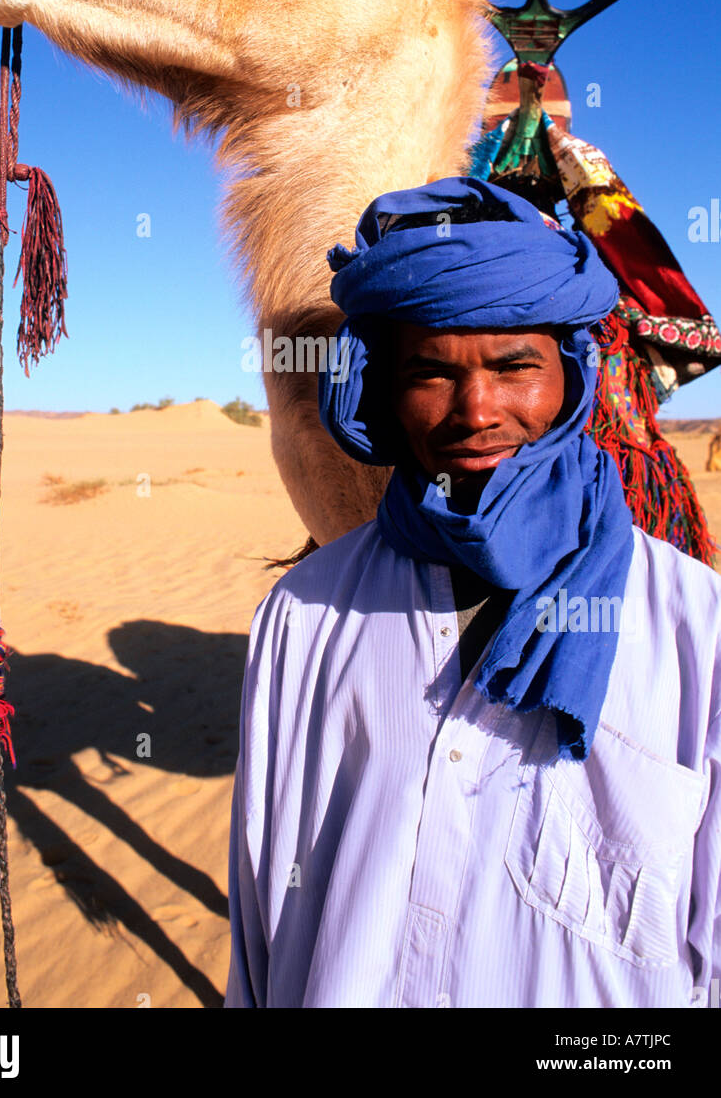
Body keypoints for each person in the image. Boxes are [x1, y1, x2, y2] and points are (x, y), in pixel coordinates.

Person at [224, 177, 721, 1009]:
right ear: (380, 389)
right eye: (428, 373)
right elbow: (261, 904)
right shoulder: (303, 616)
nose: (475, 410)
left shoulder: (693, 628)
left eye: (513, 366)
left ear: (570, 375)